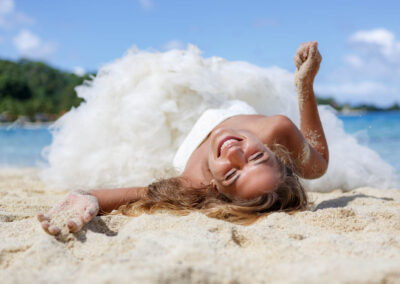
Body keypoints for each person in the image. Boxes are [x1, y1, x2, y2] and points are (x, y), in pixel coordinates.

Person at [38, 41, 328, 235]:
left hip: (171, 129)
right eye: (256, 156)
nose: (235, 154)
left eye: (232, 175)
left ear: (215, 186)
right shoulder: (277, 128)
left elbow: (126, 194)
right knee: (313, 170)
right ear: (275, 151)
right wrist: (305, 84)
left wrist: (83, 198)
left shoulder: (194, 185)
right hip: (209, 96)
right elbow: (321, 161)